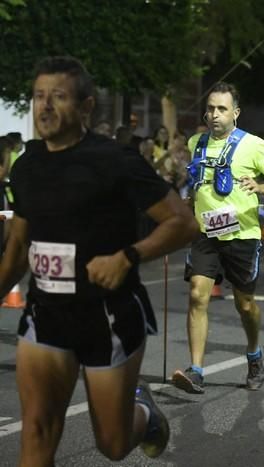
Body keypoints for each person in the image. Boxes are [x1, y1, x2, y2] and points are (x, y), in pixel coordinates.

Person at [0, 56, 199, 465]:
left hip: (108, 316)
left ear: (87, 106)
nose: (46, 107)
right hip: (46, 315)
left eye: (59, 97)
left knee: (112, 443)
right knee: (36, 435)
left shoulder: (114, 160)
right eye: (39, 97)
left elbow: (182, 223)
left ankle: (144, 415)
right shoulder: (27, 166)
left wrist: (127, 257)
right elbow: (18, 249)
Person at [171, 82, 264, 394]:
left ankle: (254, 354)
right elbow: (199, 183)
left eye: (222, 109)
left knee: (245, 304)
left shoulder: (253, 145)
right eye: (210, 108)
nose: (214, 114)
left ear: (235, 113)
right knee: (198, 294)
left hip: (242, 234)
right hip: (206, 233)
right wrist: (187, 206)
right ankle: (196, 370)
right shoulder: (197, 142)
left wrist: (260, 187)